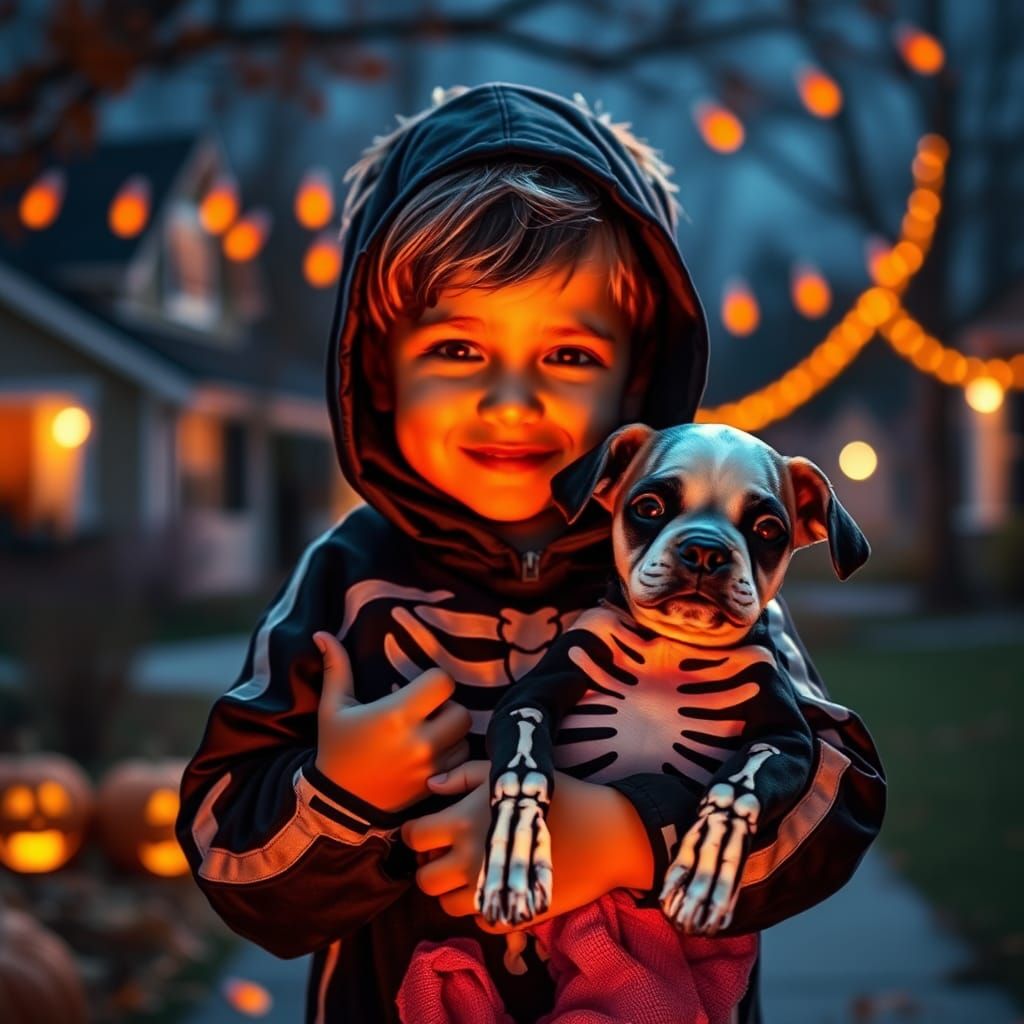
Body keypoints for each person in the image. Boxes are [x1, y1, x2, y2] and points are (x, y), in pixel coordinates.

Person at [175, 83, 886, 1024]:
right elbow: (229, 854)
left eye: (569, 356)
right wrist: (345, 793)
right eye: (459, 351)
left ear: (637, 379)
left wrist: (633, 838)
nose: (511, 402)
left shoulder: (700, 580)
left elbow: (837, 796)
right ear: (378, 371)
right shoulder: (348, 584)